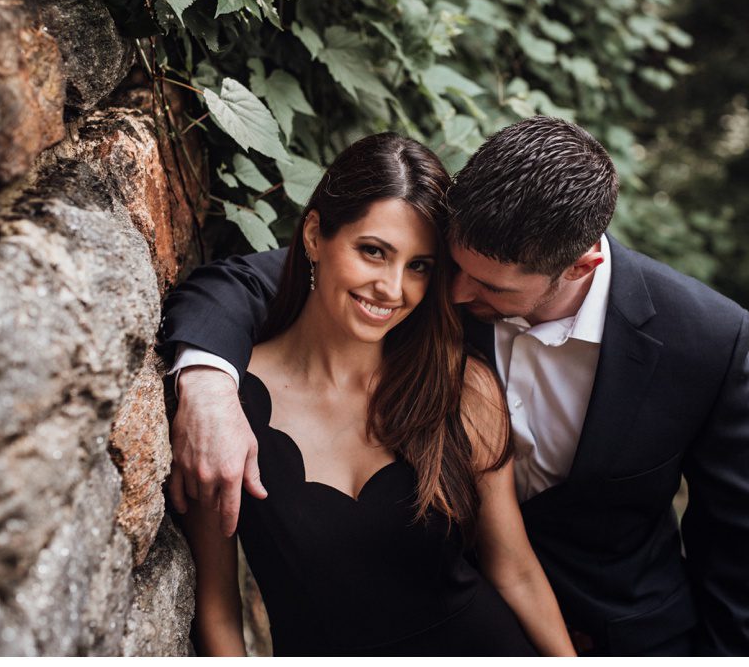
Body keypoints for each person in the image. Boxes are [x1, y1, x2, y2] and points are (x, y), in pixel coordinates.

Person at [160, 116, 749, 656]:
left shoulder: (702, 338)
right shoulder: (423, 271)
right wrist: (210, 383)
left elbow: (740, 533)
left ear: (578, 266)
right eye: (450, 267)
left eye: (489, 287)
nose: (450, 295)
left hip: (627, 631)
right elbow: (249, 282)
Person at [175, 133, 575, 656]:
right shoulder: (227, 410)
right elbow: (218, 606)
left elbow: (514, 569)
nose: (392, 288)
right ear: (316, 235)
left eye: (418, 266)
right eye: (373, 252)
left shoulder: (460, 386)